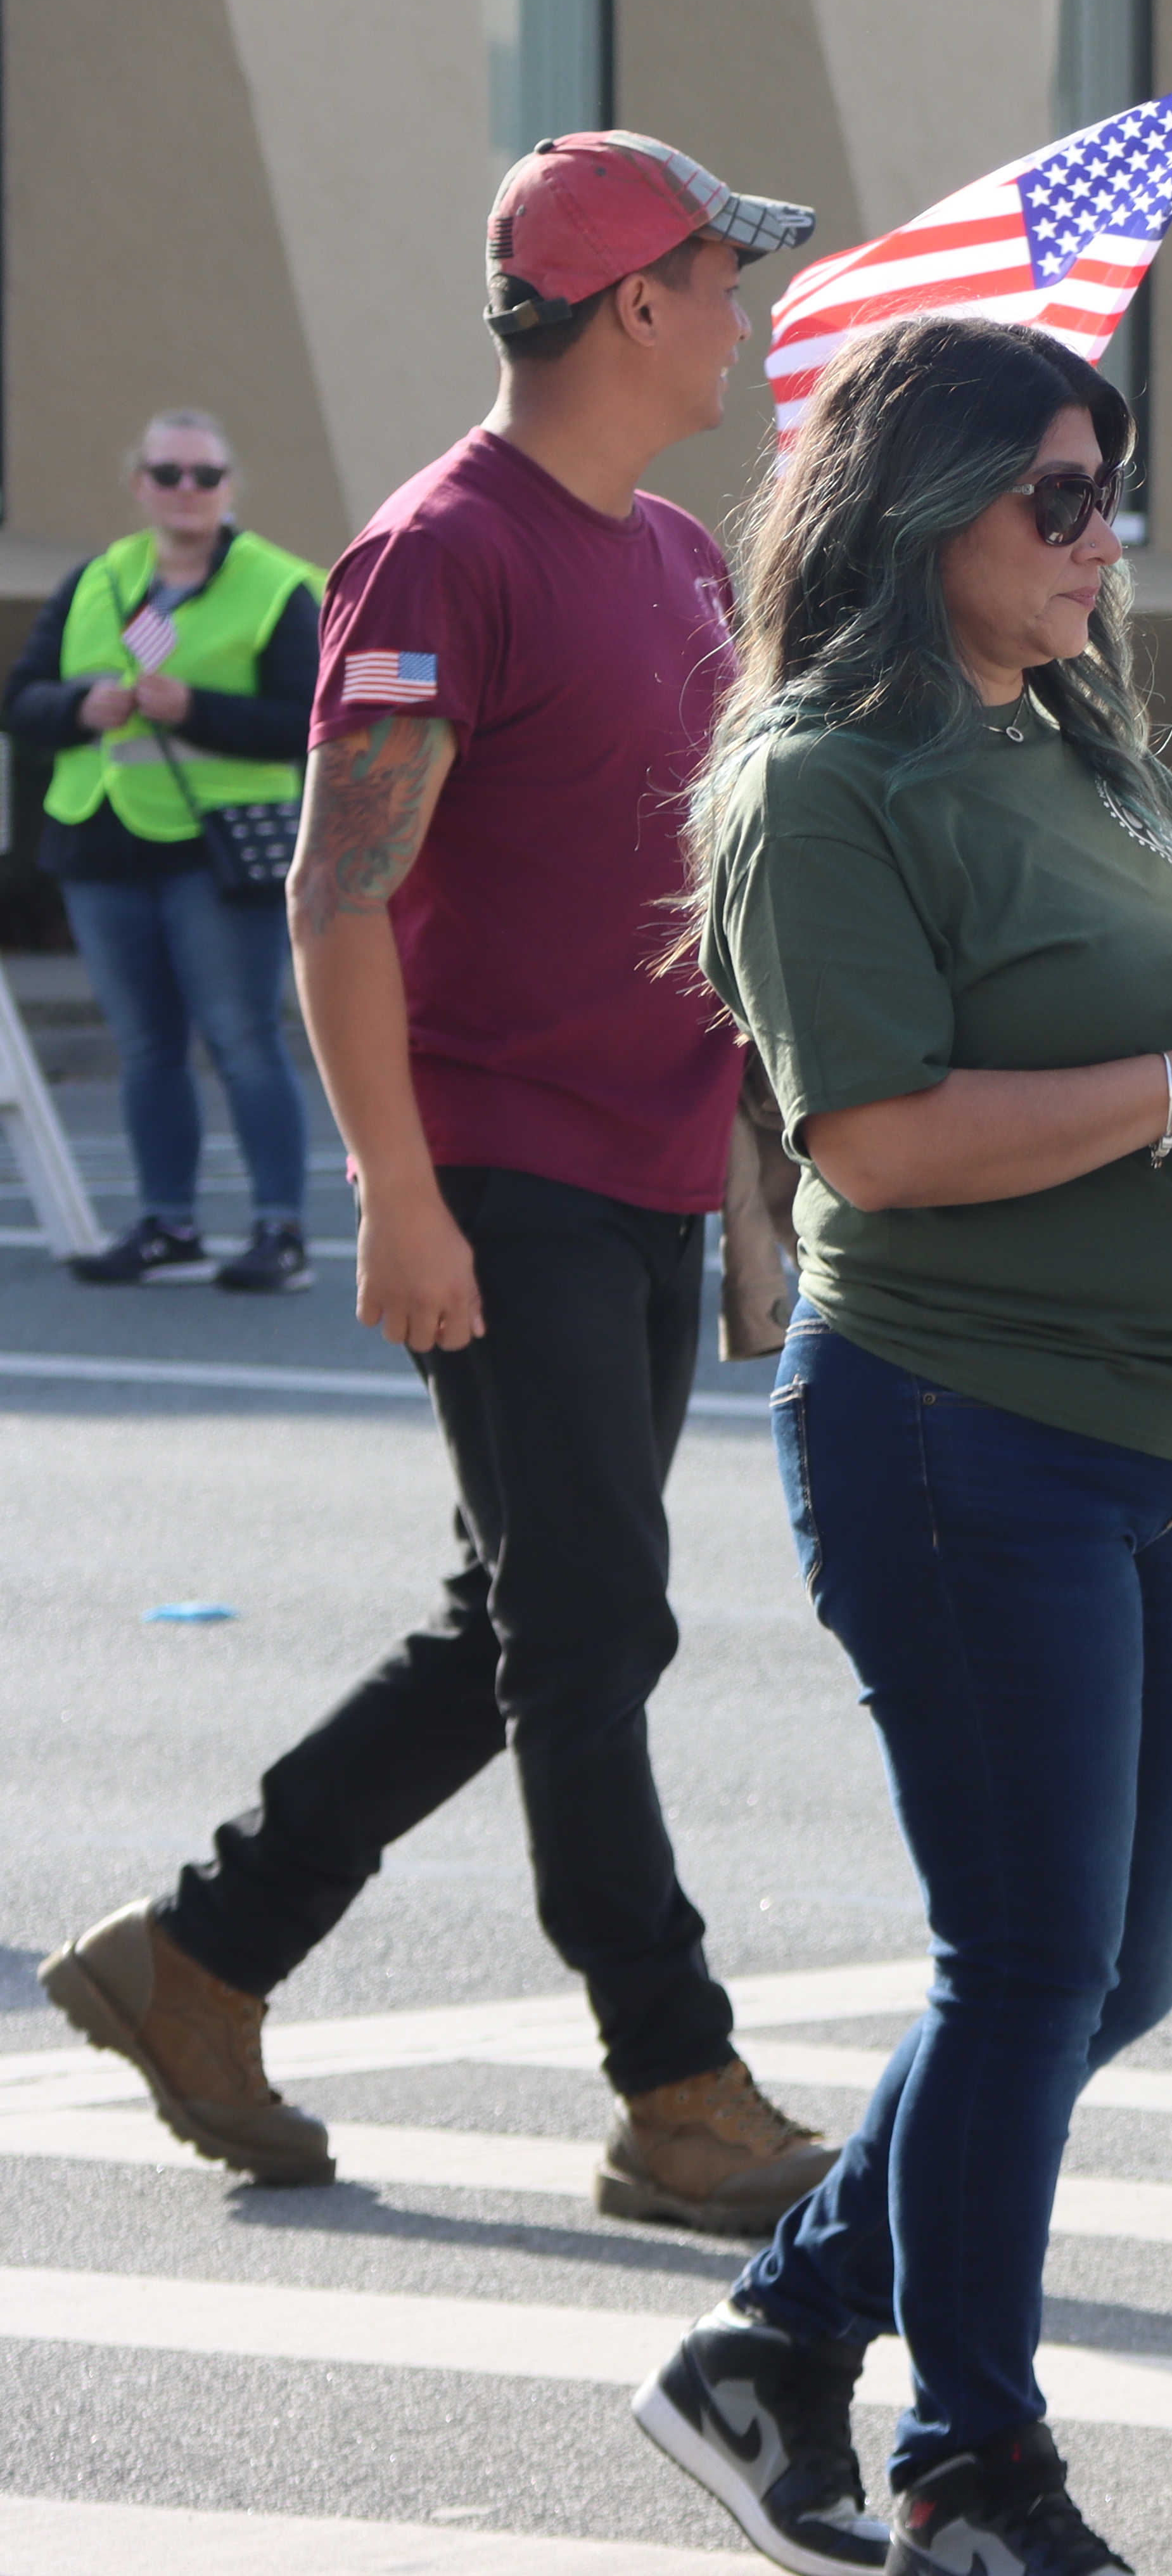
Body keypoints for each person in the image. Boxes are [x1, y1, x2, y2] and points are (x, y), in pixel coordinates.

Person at [37, 135, 841, 2237]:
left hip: (649, 1174)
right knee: (593, 1628)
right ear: (631, 310)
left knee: (520, 1614)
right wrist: (395, 1194)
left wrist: (751, 1154)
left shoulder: (673, 556)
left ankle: (201, 1958)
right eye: (719, 278)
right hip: (503, 1174)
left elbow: (680, 874)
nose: (743, 316)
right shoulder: (437, 554)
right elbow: (337, 893)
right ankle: (675, 2080)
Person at [632, 310, 1172, 2576]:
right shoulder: (819, 778)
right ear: (922, 508)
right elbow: (879, 1137)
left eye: (1108, 483)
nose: (1096, 530)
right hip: (960, 1428)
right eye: (1054, 492)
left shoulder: (1082, 733)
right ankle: (972, 2459)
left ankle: (778, 2334)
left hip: (1168, 1427)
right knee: (1028, 1959)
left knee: (1110, 1970)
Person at [3, 411, 321, 1287]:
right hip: (103, 848)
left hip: (217, 853)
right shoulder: (97, 583)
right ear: (140, 483)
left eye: (205, 476)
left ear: (230, 488)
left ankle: (280, 1231)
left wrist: (194, 710)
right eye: (168, 474)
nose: (188, 491)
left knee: (243, 1039)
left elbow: (309, 722)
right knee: (145, 1048)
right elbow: (20, 702)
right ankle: (166, 1226)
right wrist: (78, 709)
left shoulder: (276, 586)